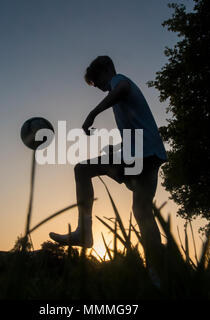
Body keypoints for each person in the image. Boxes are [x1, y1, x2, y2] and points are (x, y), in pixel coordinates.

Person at [49, 56, 167, 271]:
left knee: (82, 170)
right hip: (151, 152)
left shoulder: (118, 80)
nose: (102, 88)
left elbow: (120, 88)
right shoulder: (123, 95)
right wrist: (119, 148)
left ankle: (84, 231)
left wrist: (92, 113)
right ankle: (157, 273)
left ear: (106, 70)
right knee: (142, 211)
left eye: (98, 82)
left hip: (142, 152)